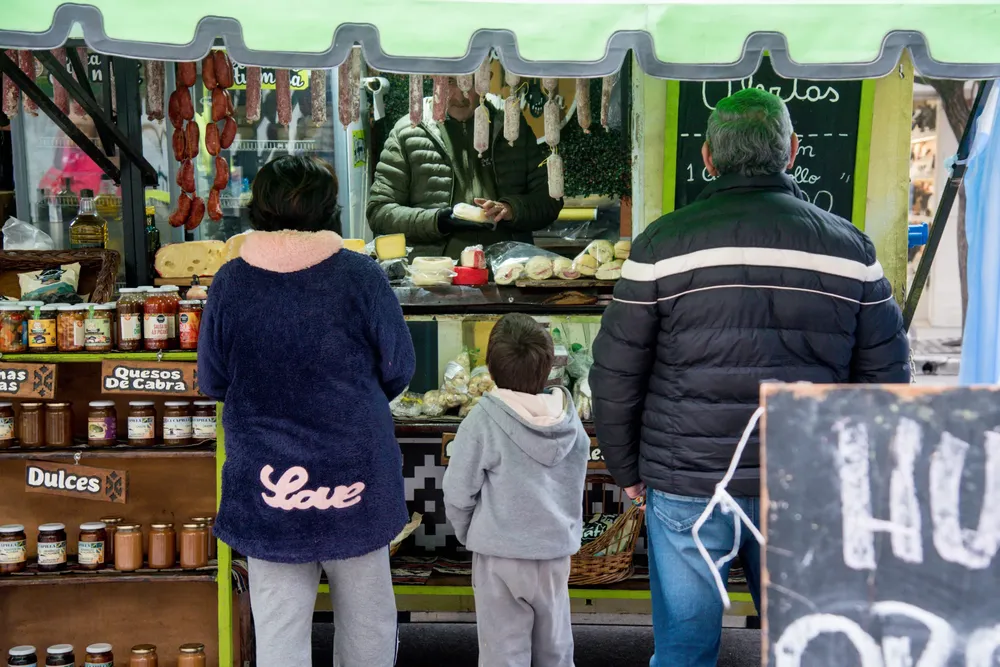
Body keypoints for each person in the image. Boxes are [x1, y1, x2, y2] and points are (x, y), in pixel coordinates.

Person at [589, 88, 910, 667]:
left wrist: (627, 468)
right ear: (791, 149)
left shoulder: (662, 244)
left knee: (685, 648)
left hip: (687, 482)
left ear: (708, 157)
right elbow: (886, 381)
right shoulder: (850, 250)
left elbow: (615, 372)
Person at [198, 155, 415, 666]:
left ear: (258, 209)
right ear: (329, 210)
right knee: (369, 627)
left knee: (279, 632)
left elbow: (212, 380)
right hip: (355, 478)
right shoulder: (361, 276)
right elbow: (399, 367)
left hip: (268, 488)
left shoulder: (230, 283)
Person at [443, 313, 589, 667]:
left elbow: (457, 492)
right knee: (555, 652)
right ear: (549, 366)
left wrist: (472, 533)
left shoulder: (482, 421)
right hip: (554, 556)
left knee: (503, 655)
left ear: (490, 370)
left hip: (500, 557)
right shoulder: (571, 423)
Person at [367, 78, 563, 259]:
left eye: (471, 83)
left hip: (507, 270)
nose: (461, 96)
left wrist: (510, 209)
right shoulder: (407, 133)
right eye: (451, 82)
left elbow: (550, 201)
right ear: (436, 80)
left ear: (486, 80)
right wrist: (437, 221)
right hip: (436, 275)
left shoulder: (513, 127)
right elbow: (379, 212)